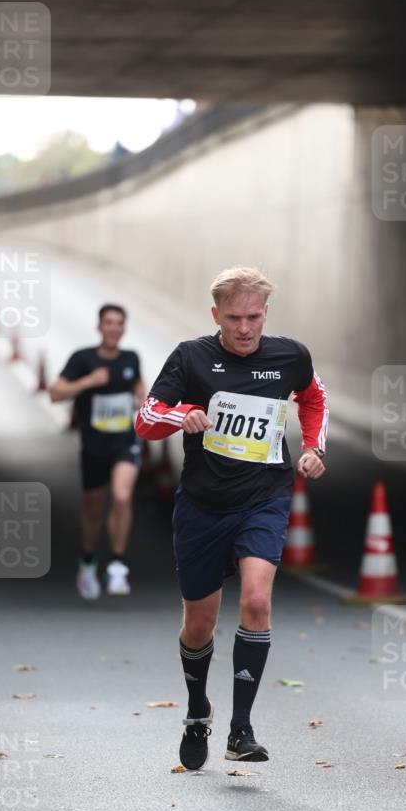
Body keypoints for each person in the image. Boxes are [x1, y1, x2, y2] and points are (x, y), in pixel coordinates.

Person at [135, 267, 328, 769]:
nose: (245, 328)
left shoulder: (289, 355)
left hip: (264, 498)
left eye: (255, 317)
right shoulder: (191, 356)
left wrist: (313, 447)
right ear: (215, 314)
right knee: (199, 624)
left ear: (266, 313)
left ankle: (241, 729)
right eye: (235, 318)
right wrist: (183, 415)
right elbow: (146, 418)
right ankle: (199, 709)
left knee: (258, 601)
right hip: (201, 506)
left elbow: (313, 398)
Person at [50, 304, 144, 599]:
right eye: (109, 322)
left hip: (124, 442)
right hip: (94, 446)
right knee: (93, 508)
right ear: (99, 326)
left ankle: (117, 564)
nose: (114, 328)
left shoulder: (130, 359)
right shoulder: (83, 359)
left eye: (119, 323)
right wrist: (89, 381)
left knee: (122, 495)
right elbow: (55, 393)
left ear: (124, 328)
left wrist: (142, 399)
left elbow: (140, 387)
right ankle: (88, 561)